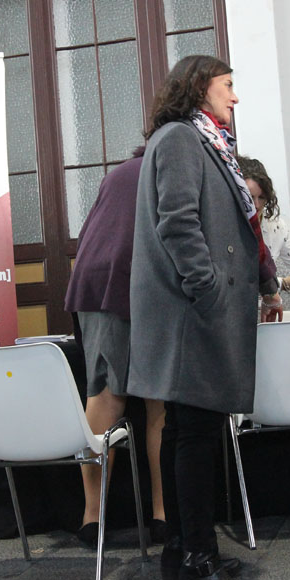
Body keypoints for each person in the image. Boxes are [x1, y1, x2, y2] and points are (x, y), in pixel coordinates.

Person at [128, 54, 279, 580]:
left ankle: (181, 550)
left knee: (183, 432)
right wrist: (208, 287)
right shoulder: (180, 139)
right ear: (198, 88)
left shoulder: (204, 141)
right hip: (192, 313)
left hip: (194, 312)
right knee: (195, 436)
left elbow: (238, 223)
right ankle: (198, 560)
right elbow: (178, 221)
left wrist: (264, 281)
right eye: (227, 85)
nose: (235, 96)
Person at [64, 146, 168, 549]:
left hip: (93, 282)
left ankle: (92, 519)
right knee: (159, 402)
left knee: (104, 398)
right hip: (139, 277)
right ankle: (162, 516)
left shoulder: (121, 172)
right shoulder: (177, 166)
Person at [237, 155, 290, 293]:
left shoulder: (275, 226)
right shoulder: (225, 227)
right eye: (249, 198)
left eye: (262, 197)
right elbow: (235, 280)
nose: (256, 205)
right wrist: (282, 283)